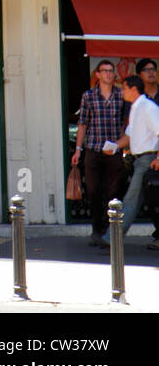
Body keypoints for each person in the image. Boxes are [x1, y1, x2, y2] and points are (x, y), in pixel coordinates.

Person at [71, 58, 127, 247]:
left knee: (114, 191)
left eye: (111, 71)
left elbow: (125, 123)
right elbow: (83, 124)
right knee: (94, 191)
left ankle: (111, 231)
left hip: (114, 150)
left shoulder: (121, 95)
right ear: (97, 74)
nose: (108, 74)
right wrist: (78, 150)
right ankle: (97, 230)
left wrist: (121, 145)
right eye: (104, 71)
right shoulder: (88, 96)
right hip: (93, 149)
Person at [104, 74, 159, 240]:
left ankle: (111, 238)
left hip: (148, 160)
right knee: (150, 202)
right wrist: (114, 147)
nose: (122, 91)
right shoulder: (136, 108)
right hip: (140, 160)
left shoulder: (147, 107)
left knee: (131, 200)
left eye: (124, 88)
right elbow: (129, 136)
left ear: (133, 89)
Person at [135, 59, 159, 245]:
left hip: (156, 156)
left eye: (153, 69)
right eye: (147, 70)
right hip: (146, 156)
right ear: (139, 75)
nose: (151, 72)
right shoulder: (139, 100)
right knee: (152, 196)